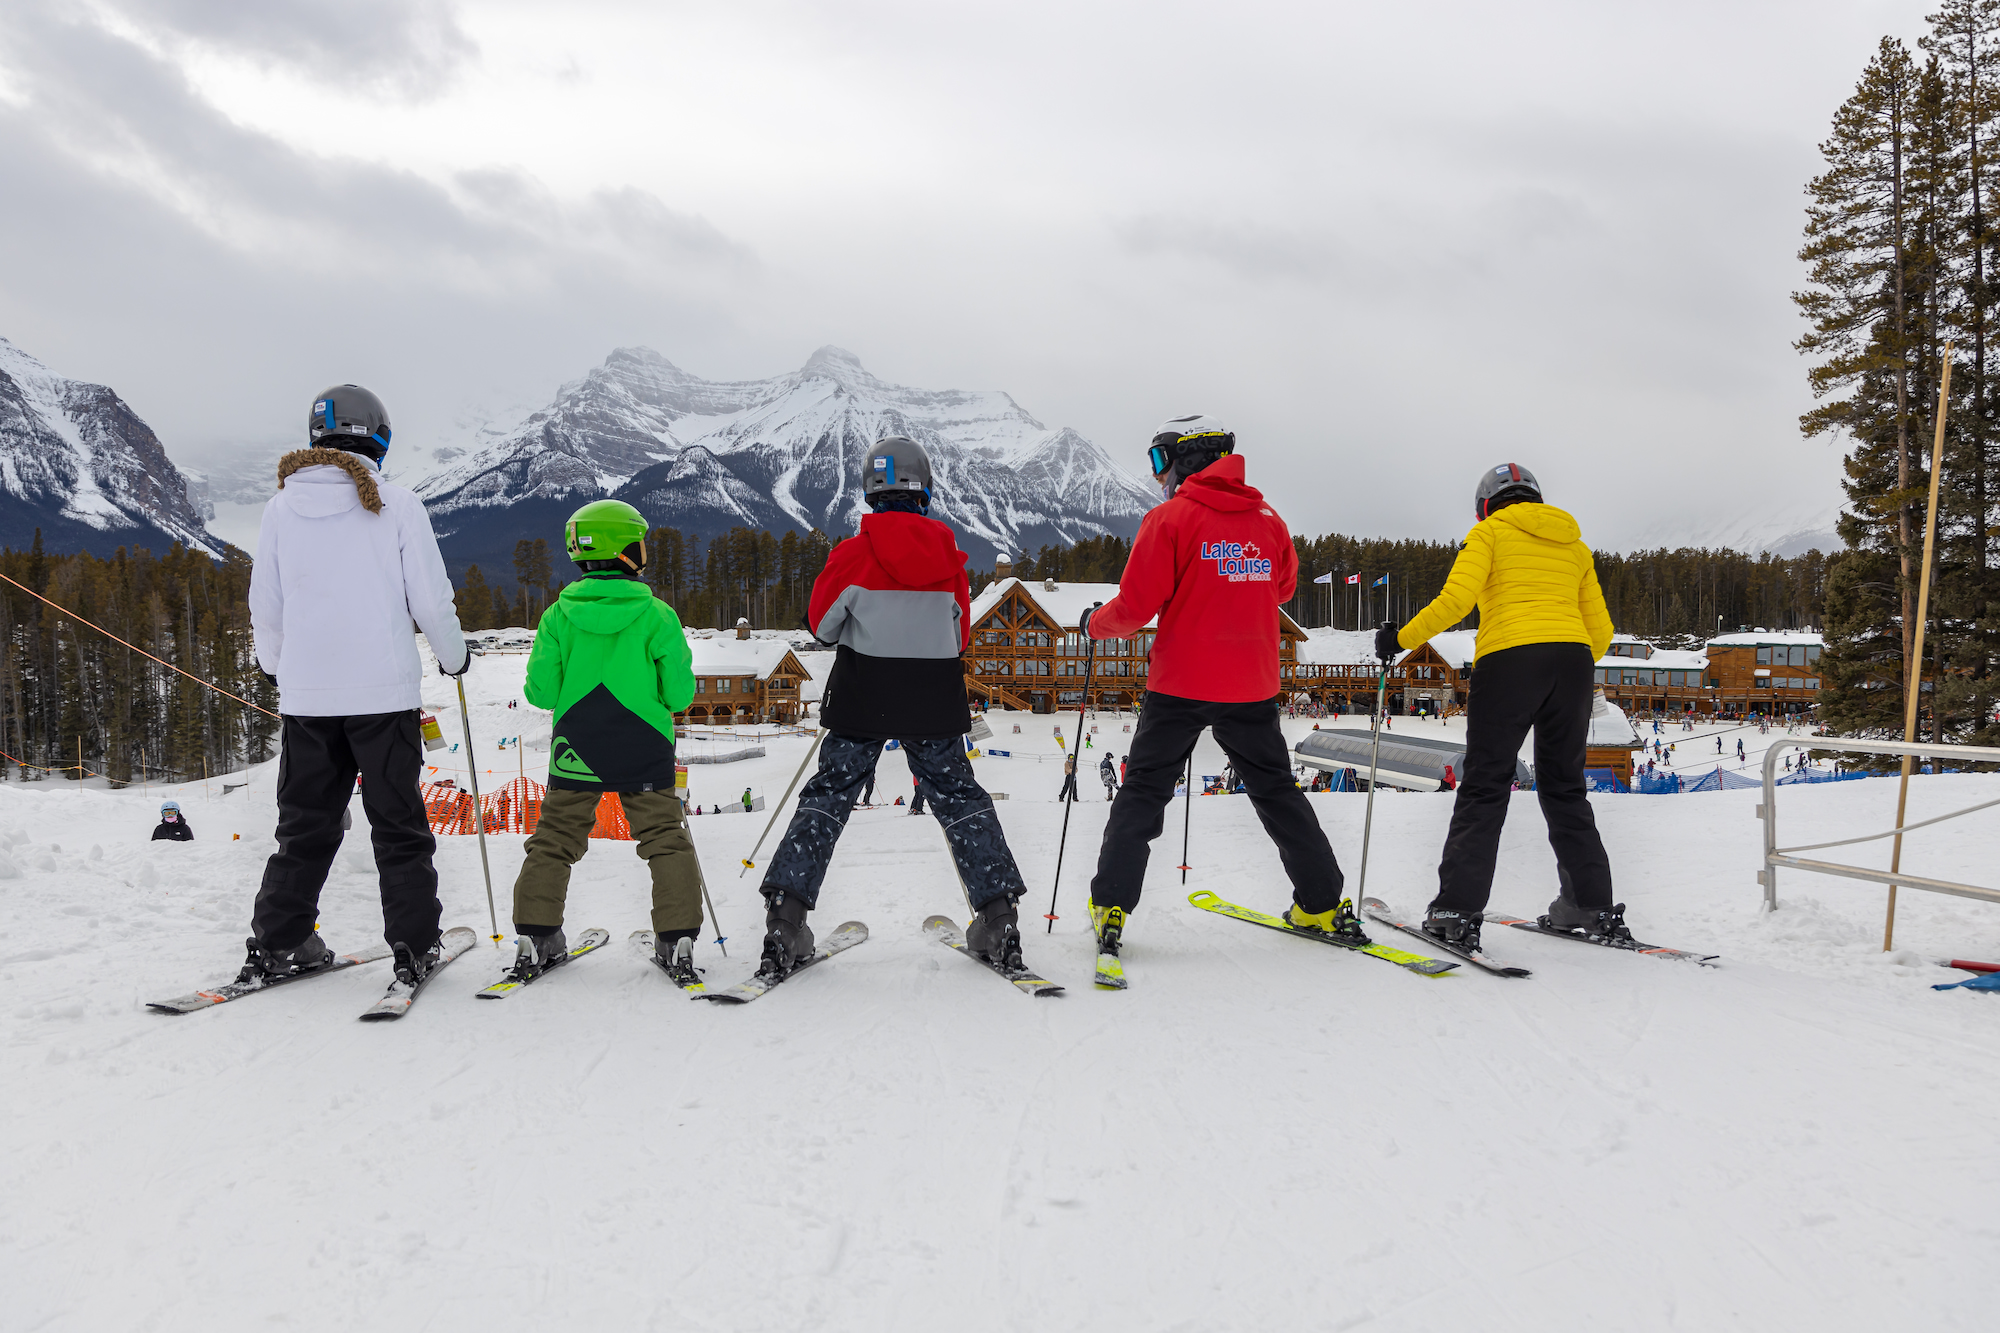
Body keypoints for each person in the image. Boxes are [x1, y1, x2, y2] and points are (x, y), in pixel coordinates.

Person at [1081, 414, 1357, 968]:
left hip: (1180, 682)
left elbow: (1135, 609)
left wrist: (1094, 624)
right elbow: (1281, 586)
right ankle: (1322, 905)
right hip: (1250, 684)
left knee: (1144, 792)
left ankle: (1111, 905)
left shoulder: (1169, 519)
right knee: (1276, 791)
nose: (1158, 474)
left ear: (1180, 460)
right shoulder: (1268, 519)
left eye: (1160, 460)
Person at [754, 436, 1032, 975]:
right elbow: (960, 637)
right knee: (956, 795)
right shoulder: (950, 560)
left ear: (870, 492)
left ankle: (786, 920)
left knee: (830, 794)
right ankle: (998, 918)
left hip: (864, 696)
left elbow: (821, 627)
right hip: (933, 697)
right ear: (924, 490)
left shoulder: (852, 555)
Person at [243, 384, 469, 985]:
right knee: (397, 826)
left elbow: (266, 604)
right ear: (379, 437)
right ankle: (415, 946)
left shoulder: (278, 509)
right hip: (382, 699)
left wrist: (276, 666)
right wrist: (454, 658)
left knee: (303, 827)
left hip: (307, 701)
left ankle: (277, 944)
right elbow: (430, 598)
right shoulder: (396, 504)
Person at [1375, 462, 1619, 952]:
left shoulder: (1487, 534)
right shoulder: (1575, 546)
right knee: (1565, 788)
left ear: (1486, 505)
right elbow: (1603, 632)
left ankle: (1455, 911)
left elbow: (1455, 600)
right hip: (1573, 662)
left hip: (1508, 660)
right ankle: (1589, 905)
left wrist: (1398, 639)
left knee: (1486, 783)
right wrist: (1563, 662)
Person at [507, 501, 704, 985]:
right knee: (664, 838)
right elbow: (680, 693)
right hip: (644, 742)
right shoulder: (657, 615)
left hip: (578, 741)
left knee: (554, 839)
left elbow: (541, 692)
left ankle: (537, 937)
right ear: (627, 547)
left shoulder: (557, 616)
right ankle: (676, 939)